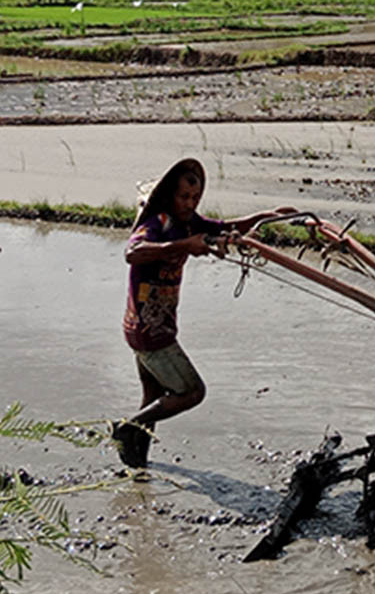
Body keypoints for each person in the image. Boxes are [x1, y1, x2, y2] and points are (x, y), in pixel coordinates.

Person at [112, 157, 295, 468]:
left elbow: (226, 227)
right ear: (169, 194)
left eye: (194, 198)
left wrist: (268, 216)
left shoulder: (188, 222)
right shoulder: (157, 223)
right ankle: (126, 429)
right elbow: (133, 253)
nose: (189, 203)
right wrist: (184, 245)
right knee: (192, 392)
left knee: (154, 400)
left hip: (147, 327)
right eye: (183, 197)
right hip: (149, 331)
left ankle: (137, 467)